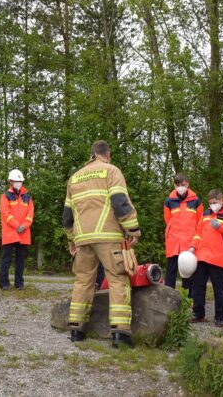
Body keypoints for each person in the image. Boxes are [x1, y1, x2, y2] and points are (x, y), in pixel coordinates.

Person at [62, 140, 141, 348]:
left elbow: (67, 216)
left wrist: (71, 239)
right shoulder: (111, 171)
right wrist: (132, 229)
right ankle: (120, 333)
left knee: (83, 281)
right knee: (117, 279)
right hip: (108, 236)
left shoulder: (75, 177)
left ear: (92, 154)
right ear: (108, 154)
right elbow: (120, 203)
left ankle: (77, 329)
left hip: (83, 239)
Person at [189, 189, 223, 327]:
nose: (213, 205)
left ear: (221, 199)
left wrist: (221, 227)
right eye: (210, 203)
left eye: (215, 202)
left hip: (219, 257)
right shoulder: (206, 213)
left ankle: (220, 317)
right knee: (197, 287)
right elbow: (198, 233)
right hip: (201, 255)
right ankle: (198, 314)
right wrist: (193, 247)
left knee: (219, 289)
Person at [163, 173, 202, 296]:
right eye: (178, 184)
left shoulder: (196, 201)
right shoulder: (169, 201)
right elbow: (167, 220)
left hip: (189, 242)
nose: (180, 187)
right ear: (174, 185)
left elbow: (199, 222)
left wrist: (194, 242)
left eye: (183, 184)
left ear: (187, 184)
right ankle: (168, 296)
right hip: (174, 242)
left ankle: (188, 298)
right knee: (171, 271)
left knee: (188, 271)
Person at [0, 169, 35, 290]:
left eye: (20, 181)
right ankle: (4, 283)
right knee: (6, 259)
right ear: (10, 181)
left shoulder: (27, 197)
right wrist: (17, 226)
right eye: (16, 181)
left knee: (20, 260)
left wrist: (23, 226)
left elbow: (30, 214)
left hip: (23, 233)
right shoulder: (5, 196)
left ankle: (19, 283)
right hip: (10, 233)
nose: (18, 183)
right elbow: (5, 213)